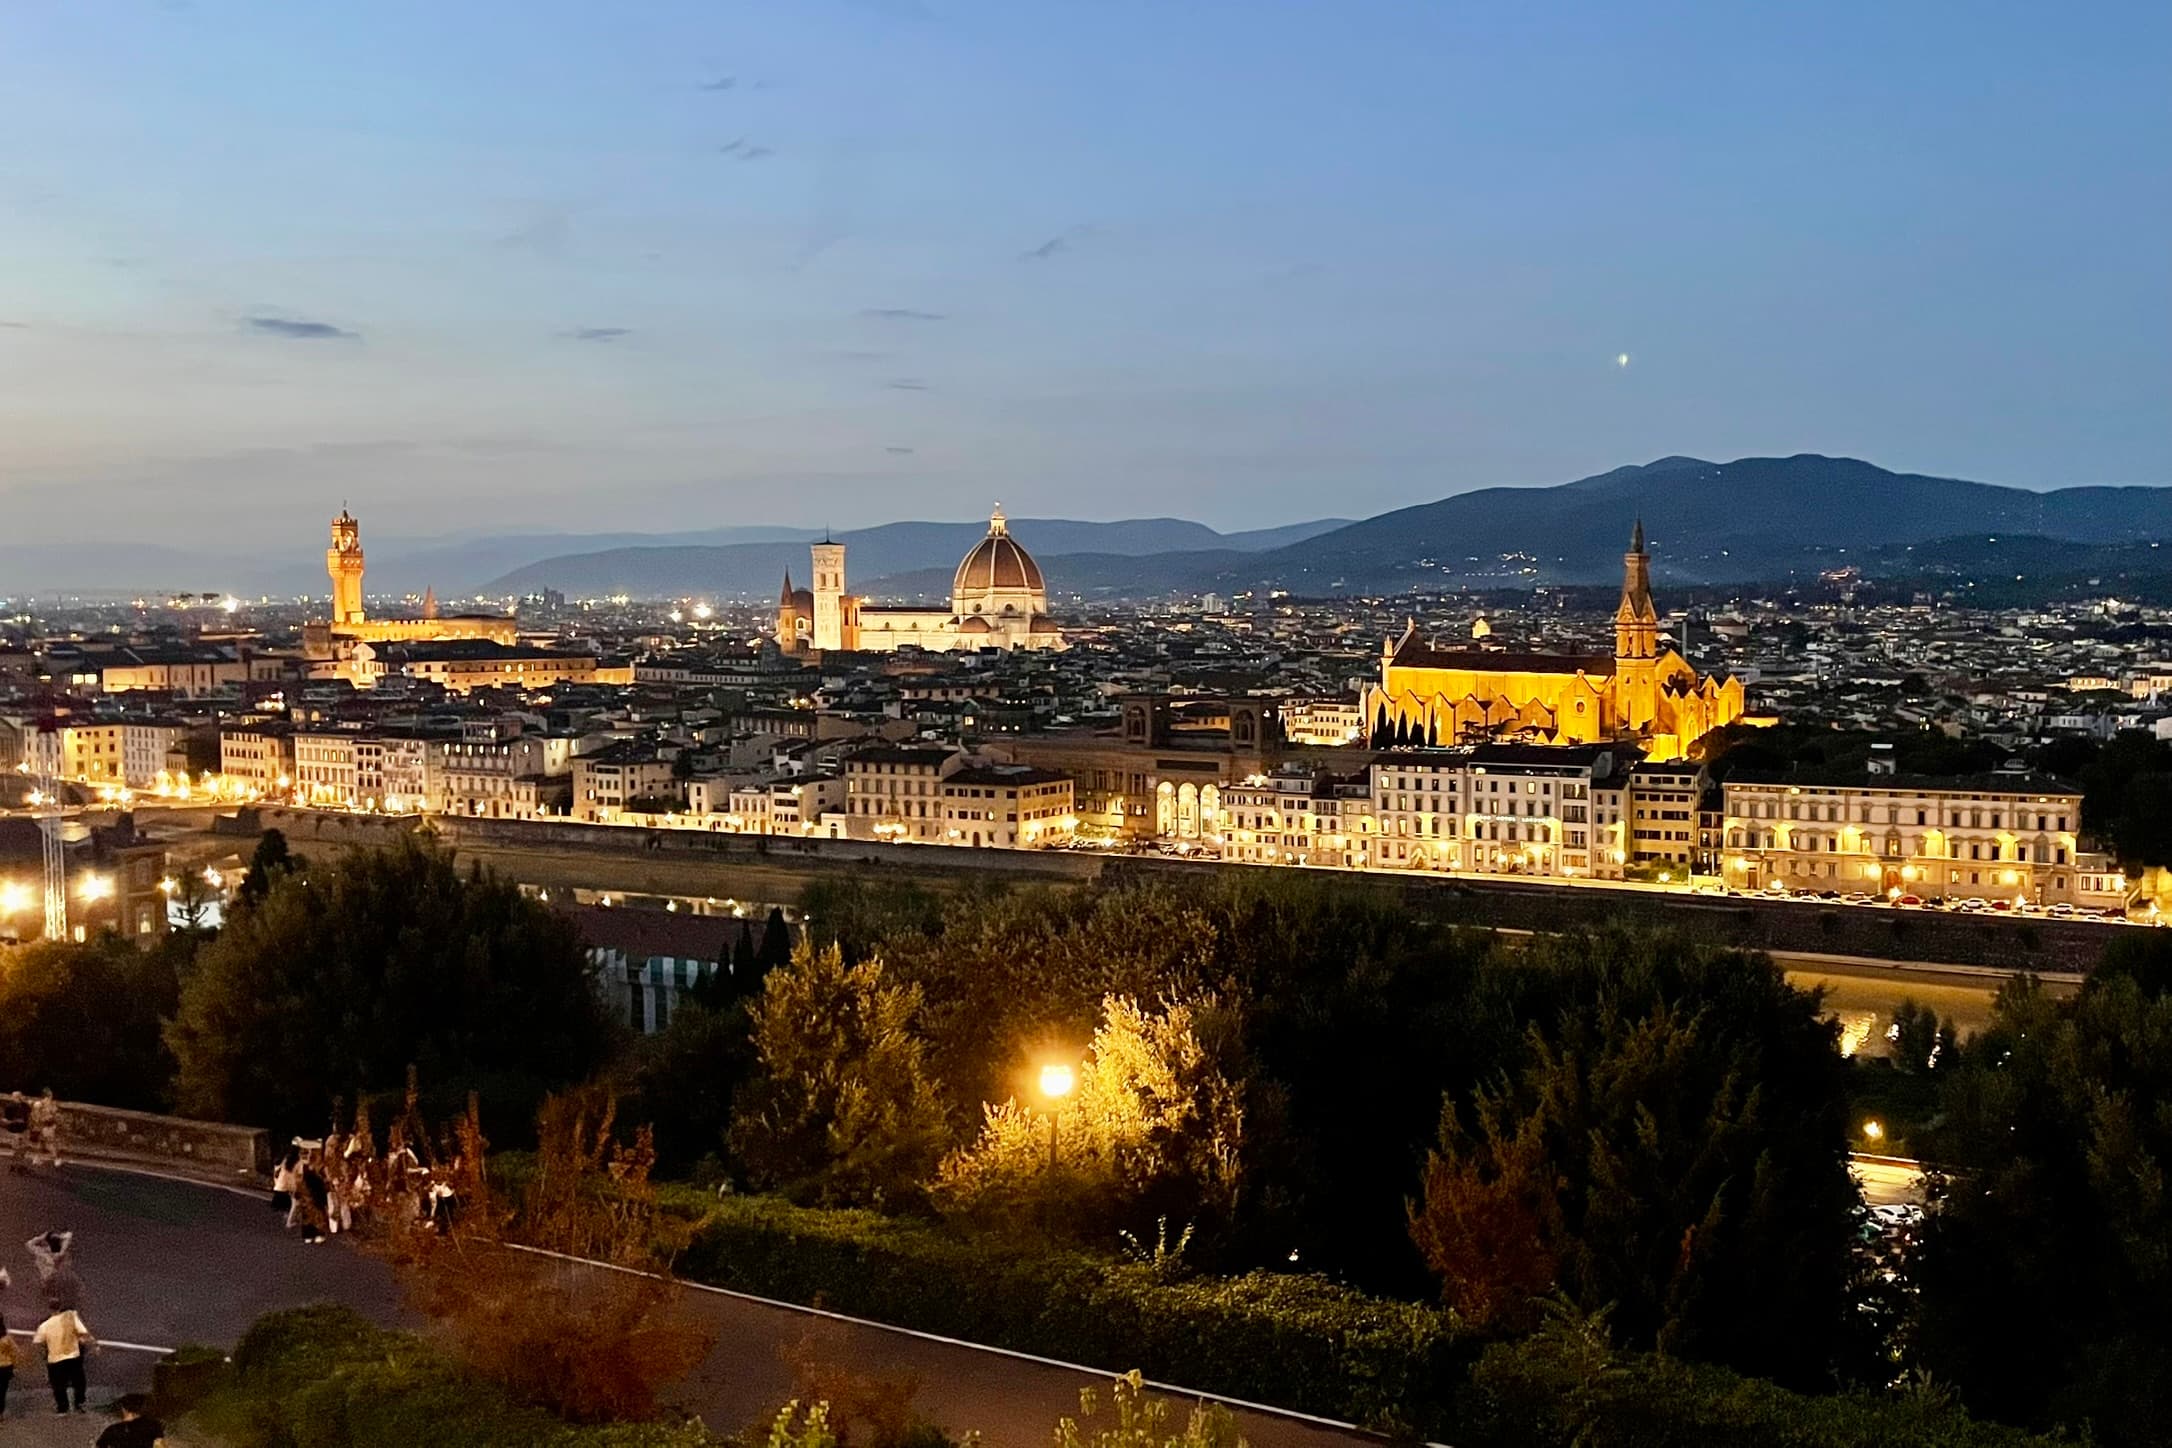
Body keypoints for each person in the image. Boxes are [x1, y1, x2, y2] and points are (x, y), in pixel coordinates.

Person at [31, 1304, 92, 1414]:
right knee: (79, 1382)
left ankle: (62, 1407)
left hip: (55, 1359)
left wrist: (46, 1352)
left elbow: (38, 1341)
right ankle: (79, 1404)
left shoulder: (45, 1325)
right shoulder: (71, 1318)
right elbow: (83, 1333)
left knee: (58, 1385)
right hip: (73, 1356)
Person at [26, 1232, 80, 1311]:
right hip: (51, 1280)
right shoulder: (43, 1252)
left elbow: (68, 1236)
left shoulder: (53, 1254)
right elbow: (29, 1244)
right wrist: (44, 1237)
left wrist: (43, 1237)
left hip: (53, 1279)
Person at [96, 1391, 167, 1447]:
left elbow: (99, 1445)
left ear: (124, 1409)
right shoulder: (153, 1425)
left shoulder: (112, 1430)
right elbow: (160, 1445)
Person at [27, 1090, 61, 1168]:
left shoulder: (38, 1104)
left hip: (40, 1127)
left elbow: (34, 1115)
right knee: (50, 1143)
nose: (52, 1097)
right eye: (50, 1096)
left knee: (41, 1143)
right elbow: (52, 1116)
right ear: (47, 1096)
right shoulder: (49, 1105)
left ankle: (36, 1158)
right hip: (46, 1127)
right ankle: (56, 1159)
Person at [0, 1092, 29, 1170]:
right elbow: (7, 1120)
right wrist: (17, 1120)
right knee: (19, 1148)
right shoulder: (12, 1106)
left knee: (21, 1148)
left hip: (19, 1129)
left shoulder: (22, 1106)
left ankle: (16, 1164)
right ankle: (17, 1165)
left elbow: (8, 1119)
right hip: (19, 1130)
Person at [0, 1308, 16, 1419]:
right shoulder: (7, 1338)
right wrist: (14, 1366)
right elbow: (14, 1352)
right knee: (2, 1391)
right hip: (5, 1367)